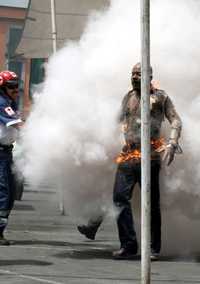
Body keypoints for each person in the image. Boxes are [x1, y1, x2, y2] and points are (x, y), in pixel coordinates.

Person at [78, 63, 182, 260]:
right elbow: (116, 120)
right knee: (119, 198)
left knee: (151, 204)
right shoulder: (128, 97)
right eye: (133, 73)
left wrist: (172, 143)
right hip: (128, 156)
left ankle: (153, 248)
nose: (135, 77)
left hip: (150, 156)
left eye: (139, 74)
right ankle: (128, 244)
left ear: (149, 76)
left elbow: (175, 120)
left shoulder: (160, 97)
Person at [0, 70, 23, 245]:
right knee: (4, 192)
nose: (16, 89)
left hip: (6, 152)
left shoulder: (11, 102)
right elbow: (17, 124)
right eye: (11, 86)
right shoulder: (2, 102)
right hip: (0, 153)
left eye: (17, 85)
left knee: (10, 191)